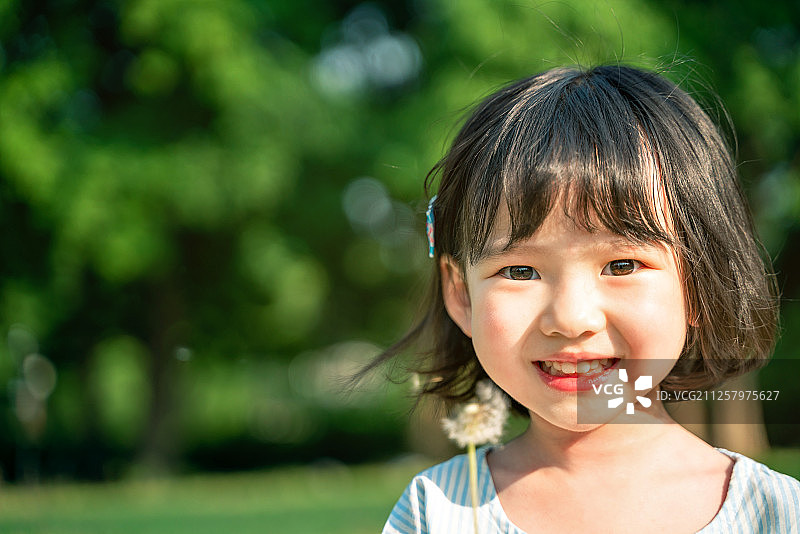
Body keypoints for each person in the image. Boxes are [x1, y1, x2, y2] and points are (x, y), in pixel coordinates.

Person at [371, 65, 800, 533]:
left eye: (621, 266)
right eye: (520, 271)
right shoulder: (439, 512)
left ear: (697, 281)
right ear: (462, 295)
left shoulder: (776, 512)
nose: (572, 319)